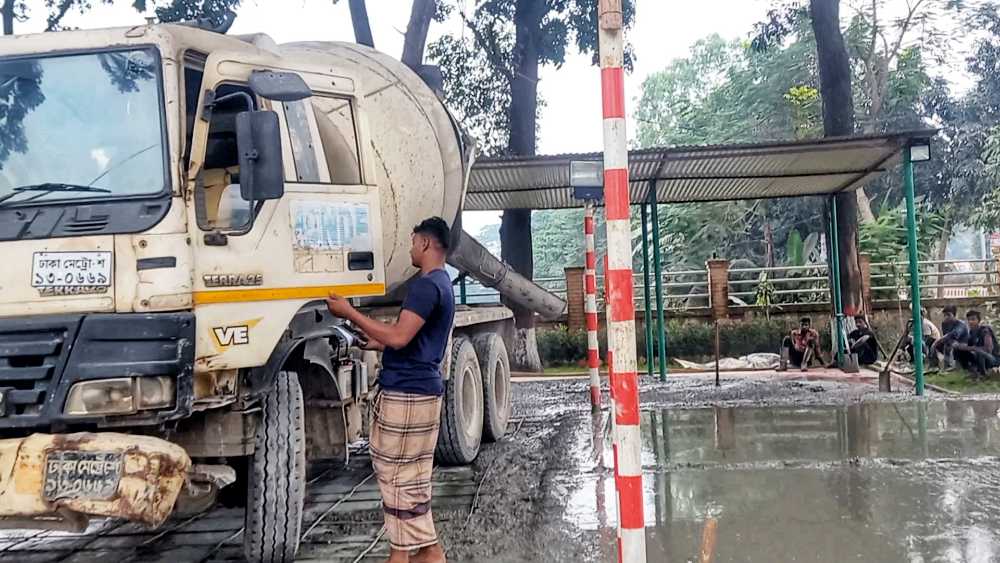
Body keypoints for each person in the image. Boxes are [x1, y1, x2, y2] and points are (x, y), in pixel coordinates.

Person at [326, 217, 454, 563]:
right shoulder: (443, 283)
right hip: (423, 391)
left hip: (407, 395)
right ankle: (427, 551)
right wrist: (378, 346)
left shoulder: (426, 286)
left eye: (413, 241)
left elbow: (399, 335)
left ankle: (403, 553)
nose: (411, 248)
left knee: (395, 478)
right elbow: (414, 341)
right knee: (411, 480)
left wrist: (349, 311)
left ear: (426, 244)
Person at [954, 310, 1000, 379]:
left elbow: (988, 349)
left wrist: (974, 348)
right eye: (969, 320)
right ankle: (974, 372)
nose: (970, 322)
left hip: (992, 359)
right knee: (958, 350)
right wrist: (960, 346)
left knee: (979, 351)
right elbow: (969, 347)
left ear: (978, 320)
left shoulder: (985, 330)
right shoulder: (971, 332)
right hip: (980, 357)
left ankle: (984, 374)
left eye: (973, 319)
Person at [932, 305, 969, 371]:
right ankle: (935, 366)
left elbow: (955, 334)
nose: (946, 317)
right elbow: (946, 337)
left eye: (948, 315)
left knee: (951, 344)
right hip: (950, 343)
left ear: (954, 315)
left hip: (963, 344)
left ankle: (954, 365)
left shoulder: (961, 324)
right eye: (945, 315)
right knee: (937, 344)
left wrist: (940, 340)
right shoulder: (944, 324)